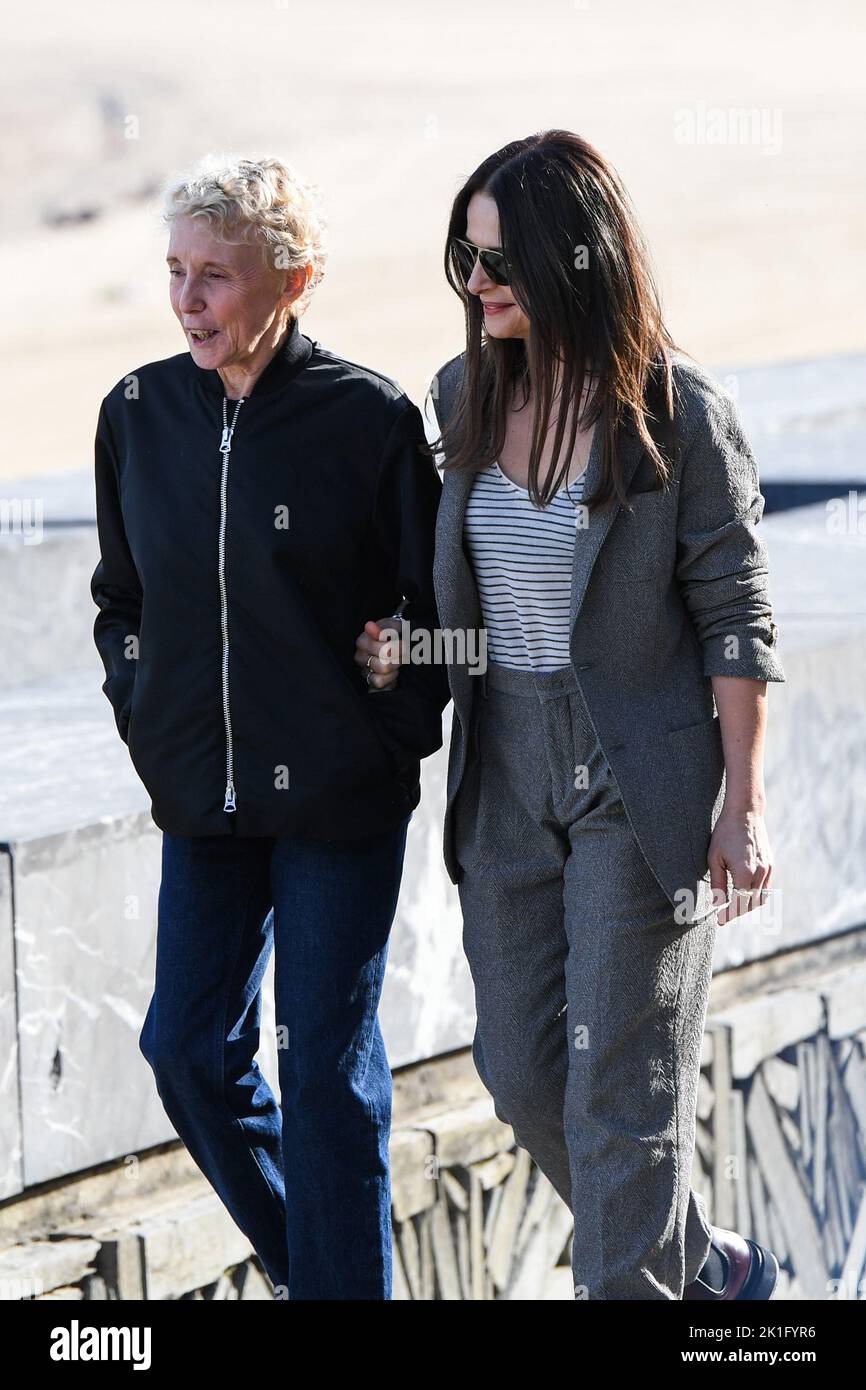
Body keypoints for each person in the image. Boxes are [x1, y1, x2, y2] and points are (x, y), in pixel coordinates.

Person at [356, 130, 785, 1300]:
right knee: (525, 1073)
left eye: (497, 261)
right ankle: (704, 1272)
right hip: (503, 776)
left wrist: (740, 802)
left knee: (618, 1090)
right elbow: (482, 612)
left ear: (573, 261)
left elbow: (735, 610)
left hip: (632, 776)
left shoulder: (677, 411)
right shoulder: (462, 394)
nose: (475, 284)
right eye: (464, 259)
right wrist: (411, 647)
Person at [90, 154, 449, 1300]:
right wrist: (145, 717)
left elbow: (434, 620)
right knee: (186, 1053)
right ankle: (334, 1282)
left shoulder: (368, 418)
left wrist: (387, 724)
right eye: (176, 273)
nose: (189, 300)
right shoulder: (139, 415)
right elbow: (122, 601)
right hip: (202, 798)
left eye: (217, 276)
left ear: (290, 279)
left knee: (329, 1076)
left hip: (337, 806)